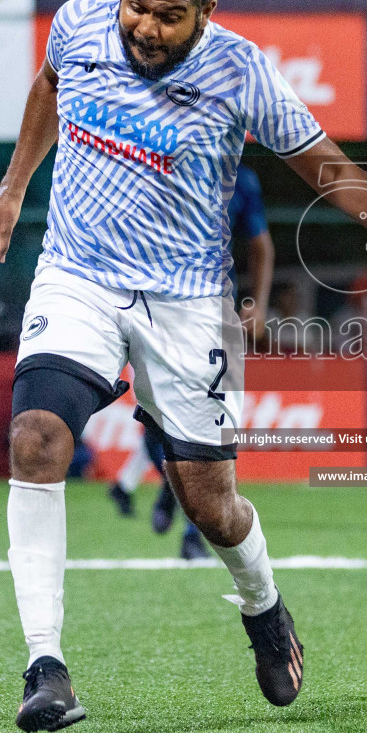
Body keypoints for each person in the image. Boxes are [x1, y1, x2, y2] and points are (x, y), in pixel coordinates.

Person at [0, 0, 367, 732]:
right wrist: (14, 187)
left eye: (168, 14)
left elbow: (337, 177)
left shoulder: (244, 71)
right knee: (36, 438)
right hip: (79, 277)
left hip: (188, 305)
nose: (145, 27)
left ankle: (264, 606)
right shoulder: (80, 24)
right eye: (136, 6)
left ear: (207, 11)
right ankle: (45, 667)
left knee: (212, 506)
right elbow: (50, 85)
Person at [110, 161, 274, 561]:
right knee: (155, 420)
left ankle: (190, 533)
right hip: (152, 315)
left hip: (214, 316)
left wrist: (259, 303)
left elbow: (260, 245)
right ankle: (169, 490)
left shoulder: (241, 177)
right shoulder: (151, 161)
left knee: (216, 427)